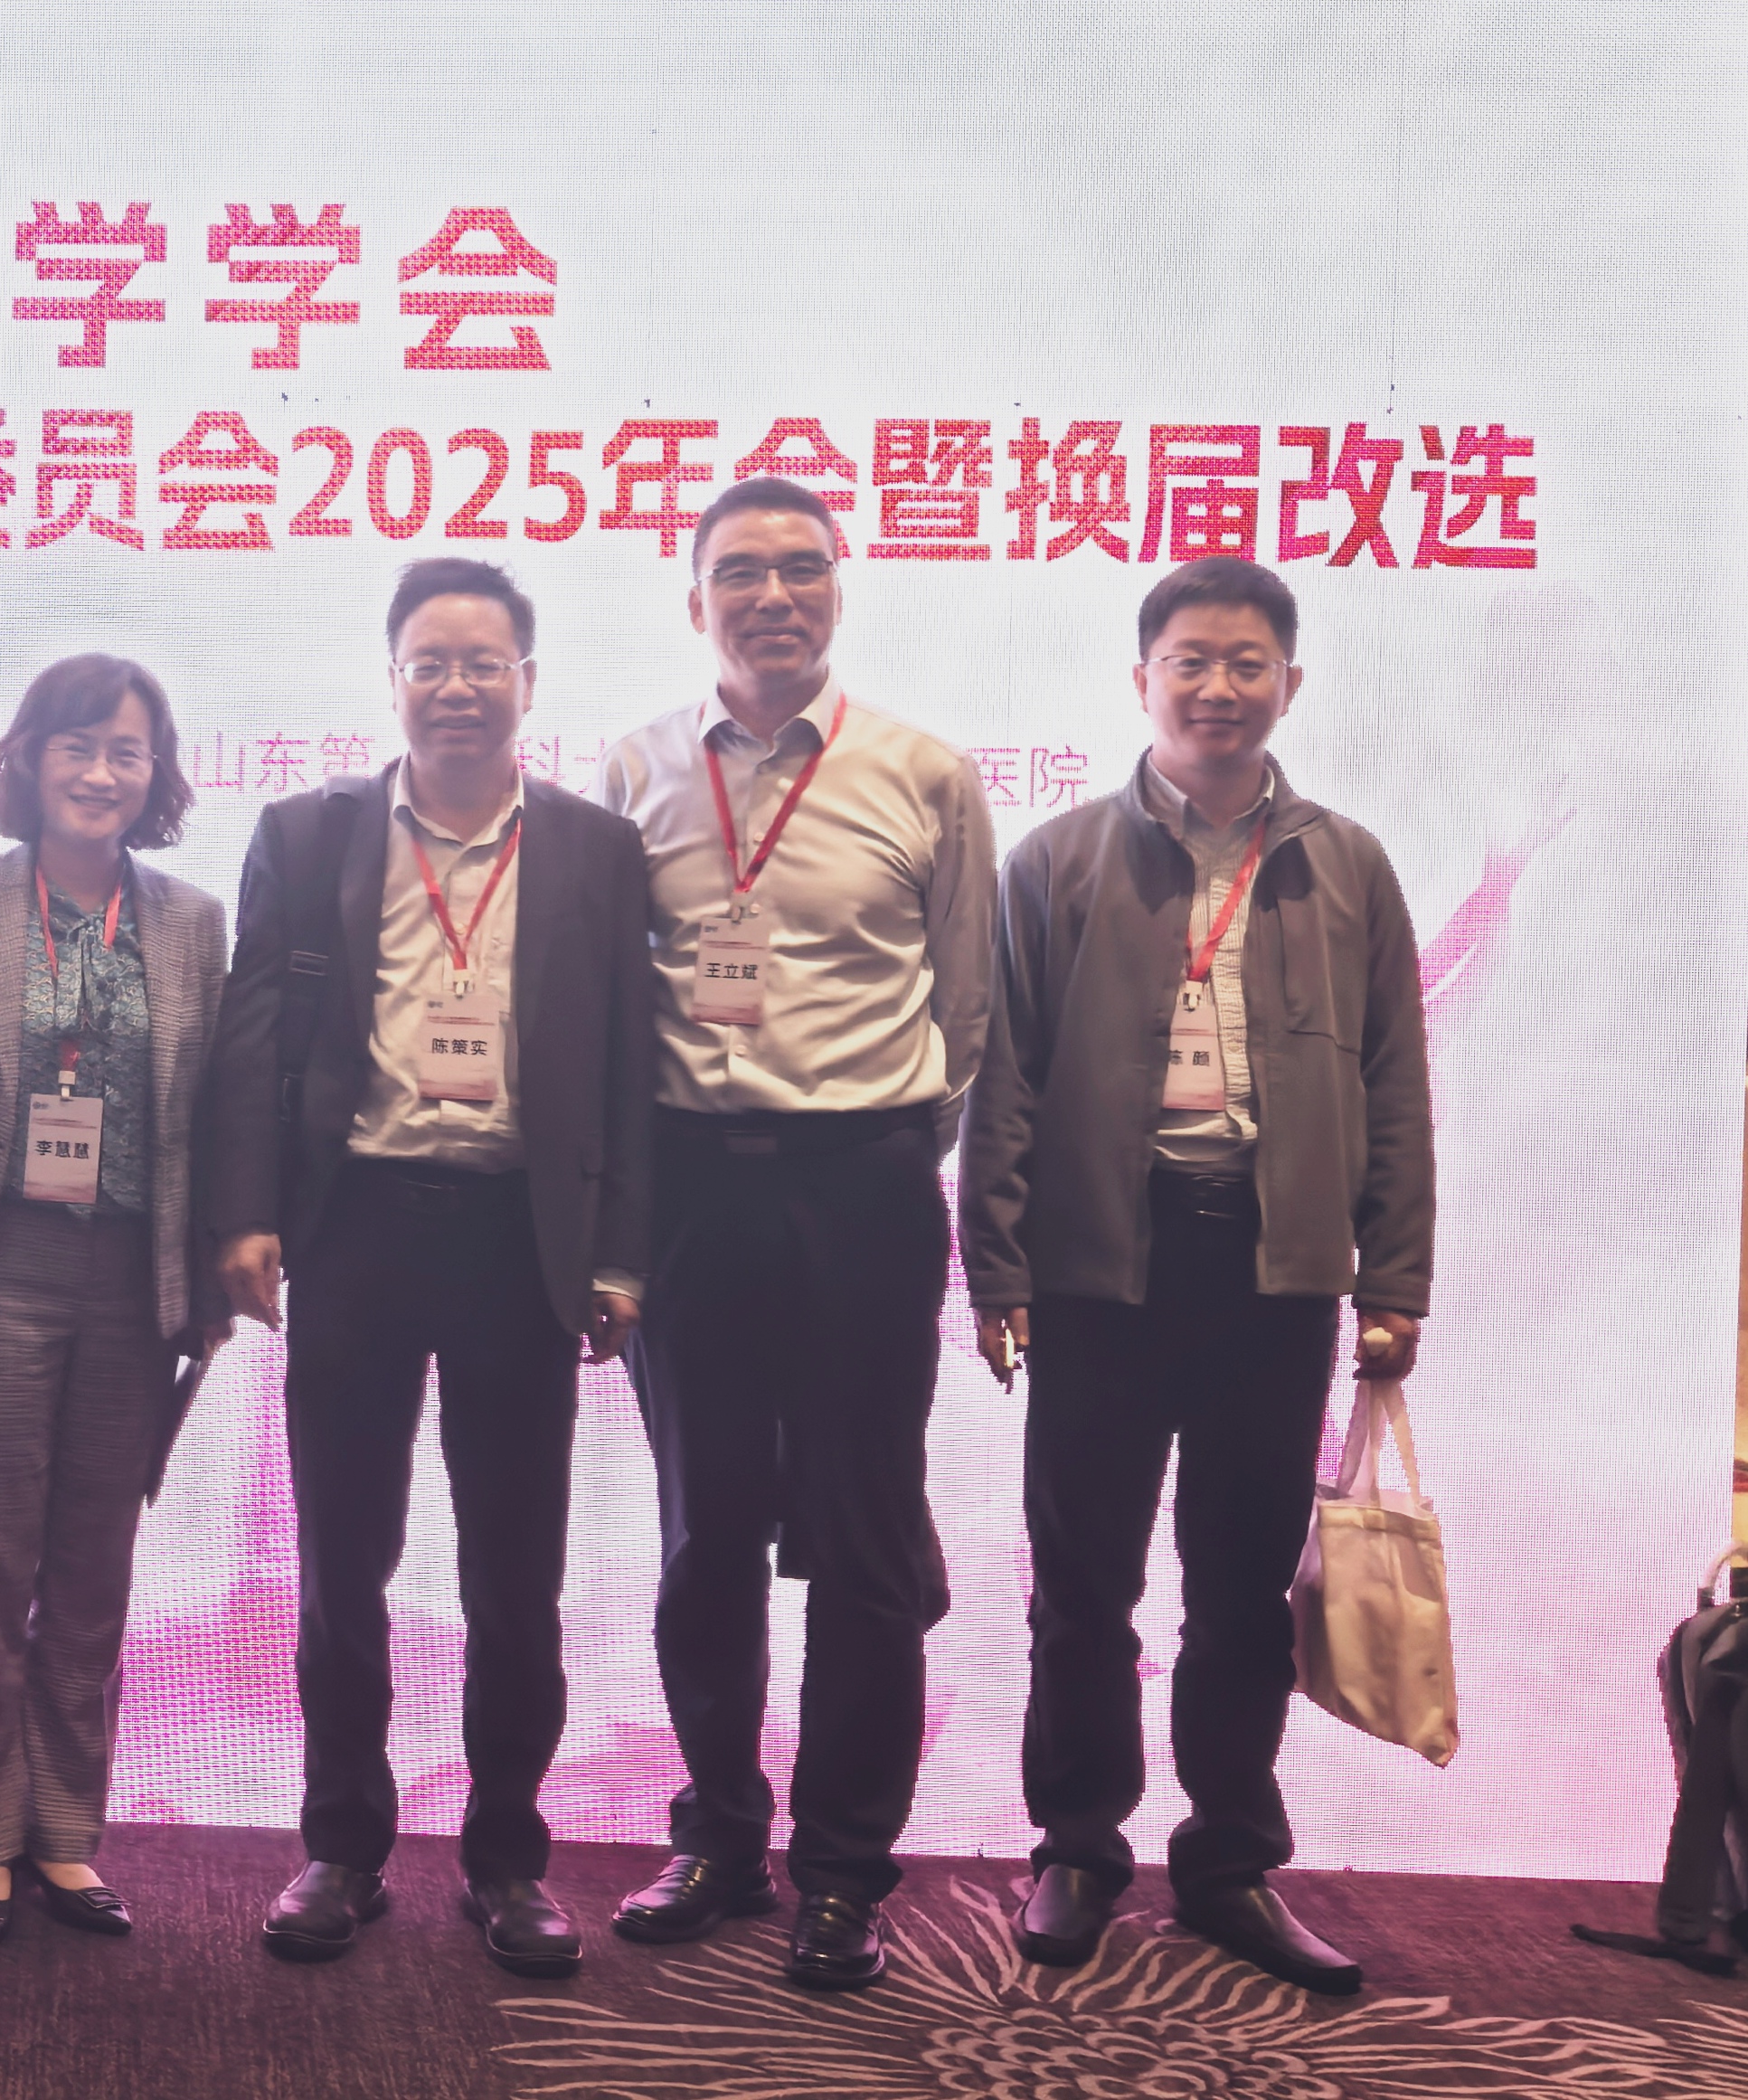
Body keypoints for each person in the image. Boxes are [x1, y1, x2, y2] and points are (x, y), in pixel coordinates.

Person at [959, 555, 1432, 1994]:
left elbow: (1394, 1081)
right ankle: (1075, 1844)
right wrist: (995, 1265)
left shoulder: (1346, 863)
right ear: (1141, 678)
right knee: (1081, 1585)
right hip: (1100, 1266)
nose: (1216, 687)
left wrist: (1393, 1274)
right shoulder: (1054, 860)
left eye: (1245, 662)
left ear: (1289, 681)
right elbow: (1004, 1077)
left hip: (1273, 1272)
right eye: (1188, 660)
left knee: (1239, 1588)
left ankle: (1227, 1857)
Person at [201, 557, 653, 1978]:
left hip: (521, 1234)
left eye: (482, 662)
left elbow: (628, 1064)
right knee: (342, 1555)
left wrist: (621, 1250)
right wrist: (244, 1212)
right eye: (429, 663)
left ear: (528, 679)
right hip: (360, 1224)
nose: (456, 687)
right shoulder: (309, 831)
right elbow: (252, 1038)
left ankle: (507, 1857)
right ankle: (341, 1844)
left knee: (515, 1568)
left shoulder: (593, 847)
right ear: (392, 678)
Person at [599, 478, 994, 1991]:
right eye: (739, 571)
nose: (771, 594)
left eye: (800, 568)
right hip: (691, 1187)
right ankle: (717, 1833)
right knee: (704, 1530)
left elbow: (964, 1003)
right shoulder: (633, 767)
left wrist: (878, 1142)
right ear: (692, 598)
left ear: (839, 585)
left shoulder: (922, 772)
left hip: (860, 1187)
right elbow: (610, 990)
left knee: (866, 1535)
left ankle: (841, 1872)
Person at [0, 654, 230, 1948]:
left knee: (94, 1567)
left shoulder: (192, 921)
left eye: (126, 751)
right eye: (76, 745)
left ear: (157, 774)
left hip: (136, 1279)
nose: (99, 772)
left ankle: (64, 1831)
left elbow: (217, 1110)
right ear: (29, 758)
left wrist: (212, 1271)